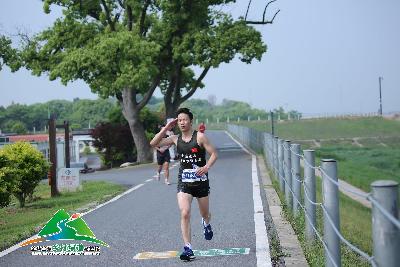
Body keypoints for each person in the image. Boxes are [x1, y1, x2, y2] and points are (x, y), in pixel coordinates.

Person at [150, 108, 218, 261]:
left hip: (201, 183)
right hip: (184, 183)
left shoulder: (200, 137)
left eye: (184, 119)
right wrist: (166, 129)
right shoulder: (175, 139)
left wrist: (206, 167)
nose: (182, 122)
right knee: (185, 212)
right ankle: (188, 248)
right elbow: (153, 143)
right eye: (179, 120)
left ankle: (206, 223)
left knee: (205, 214)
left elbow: (214, 154)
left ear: (190, 121)